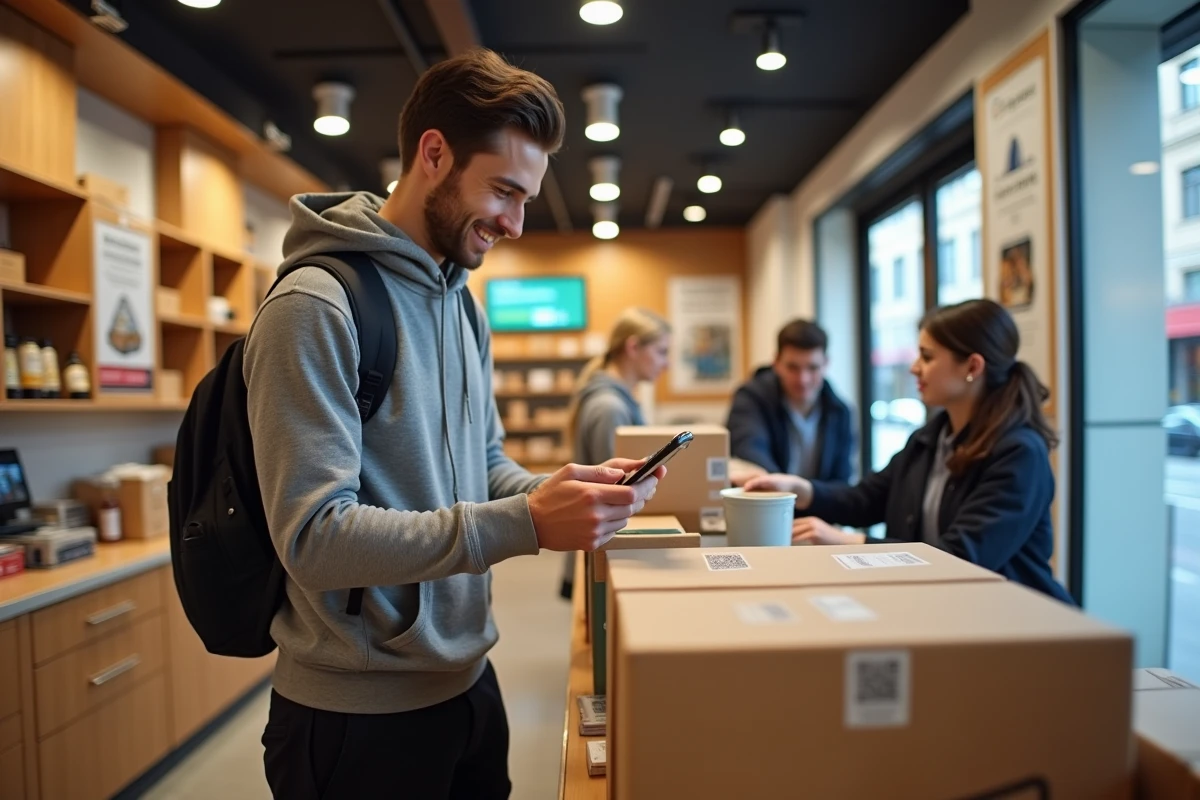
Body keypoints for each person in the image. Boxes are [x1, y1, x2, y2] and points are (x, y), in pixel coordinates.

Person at [244, 49, 662, 799]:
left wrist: (560, 492)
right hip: (355, 717)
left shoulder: (463, 306)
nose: (515, 222)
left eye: (526, 198)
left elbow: (485, 462)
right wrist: (526, 524)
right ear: (433, 154)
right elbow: (313, 537)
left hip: (467, 684)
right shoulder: (316, 307)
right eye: (504, 191)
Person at [744, 299, 1072, 604]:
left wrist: (851, 543)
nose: (914, 368)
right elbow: (867, 499)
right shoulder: (930, 439)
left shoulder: (1019, 454)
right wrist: (802, 490)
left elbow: (962, 556)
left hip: (1013, 617)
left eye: (927, 357)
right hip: (935, 607)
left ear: (972, 366)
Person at [558, 308, 672, 598]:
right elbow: (616, 490)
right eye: (661, 352)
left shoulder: (617, 400)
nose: (666, 364)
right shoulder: (610, 407)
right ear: (633, 347)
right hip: (602, 550)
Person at [726, 319, 854, 484]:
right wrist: (784, 489)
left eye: (812, 368)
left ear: (826, 364)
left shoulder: (840, 412)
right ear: (776, 362)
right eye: (793, 367)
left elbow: (841, 480)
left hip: (818, 508)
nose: (803, 379)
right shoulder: (751, 399)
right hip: (767, 503)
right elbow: (750, 448)